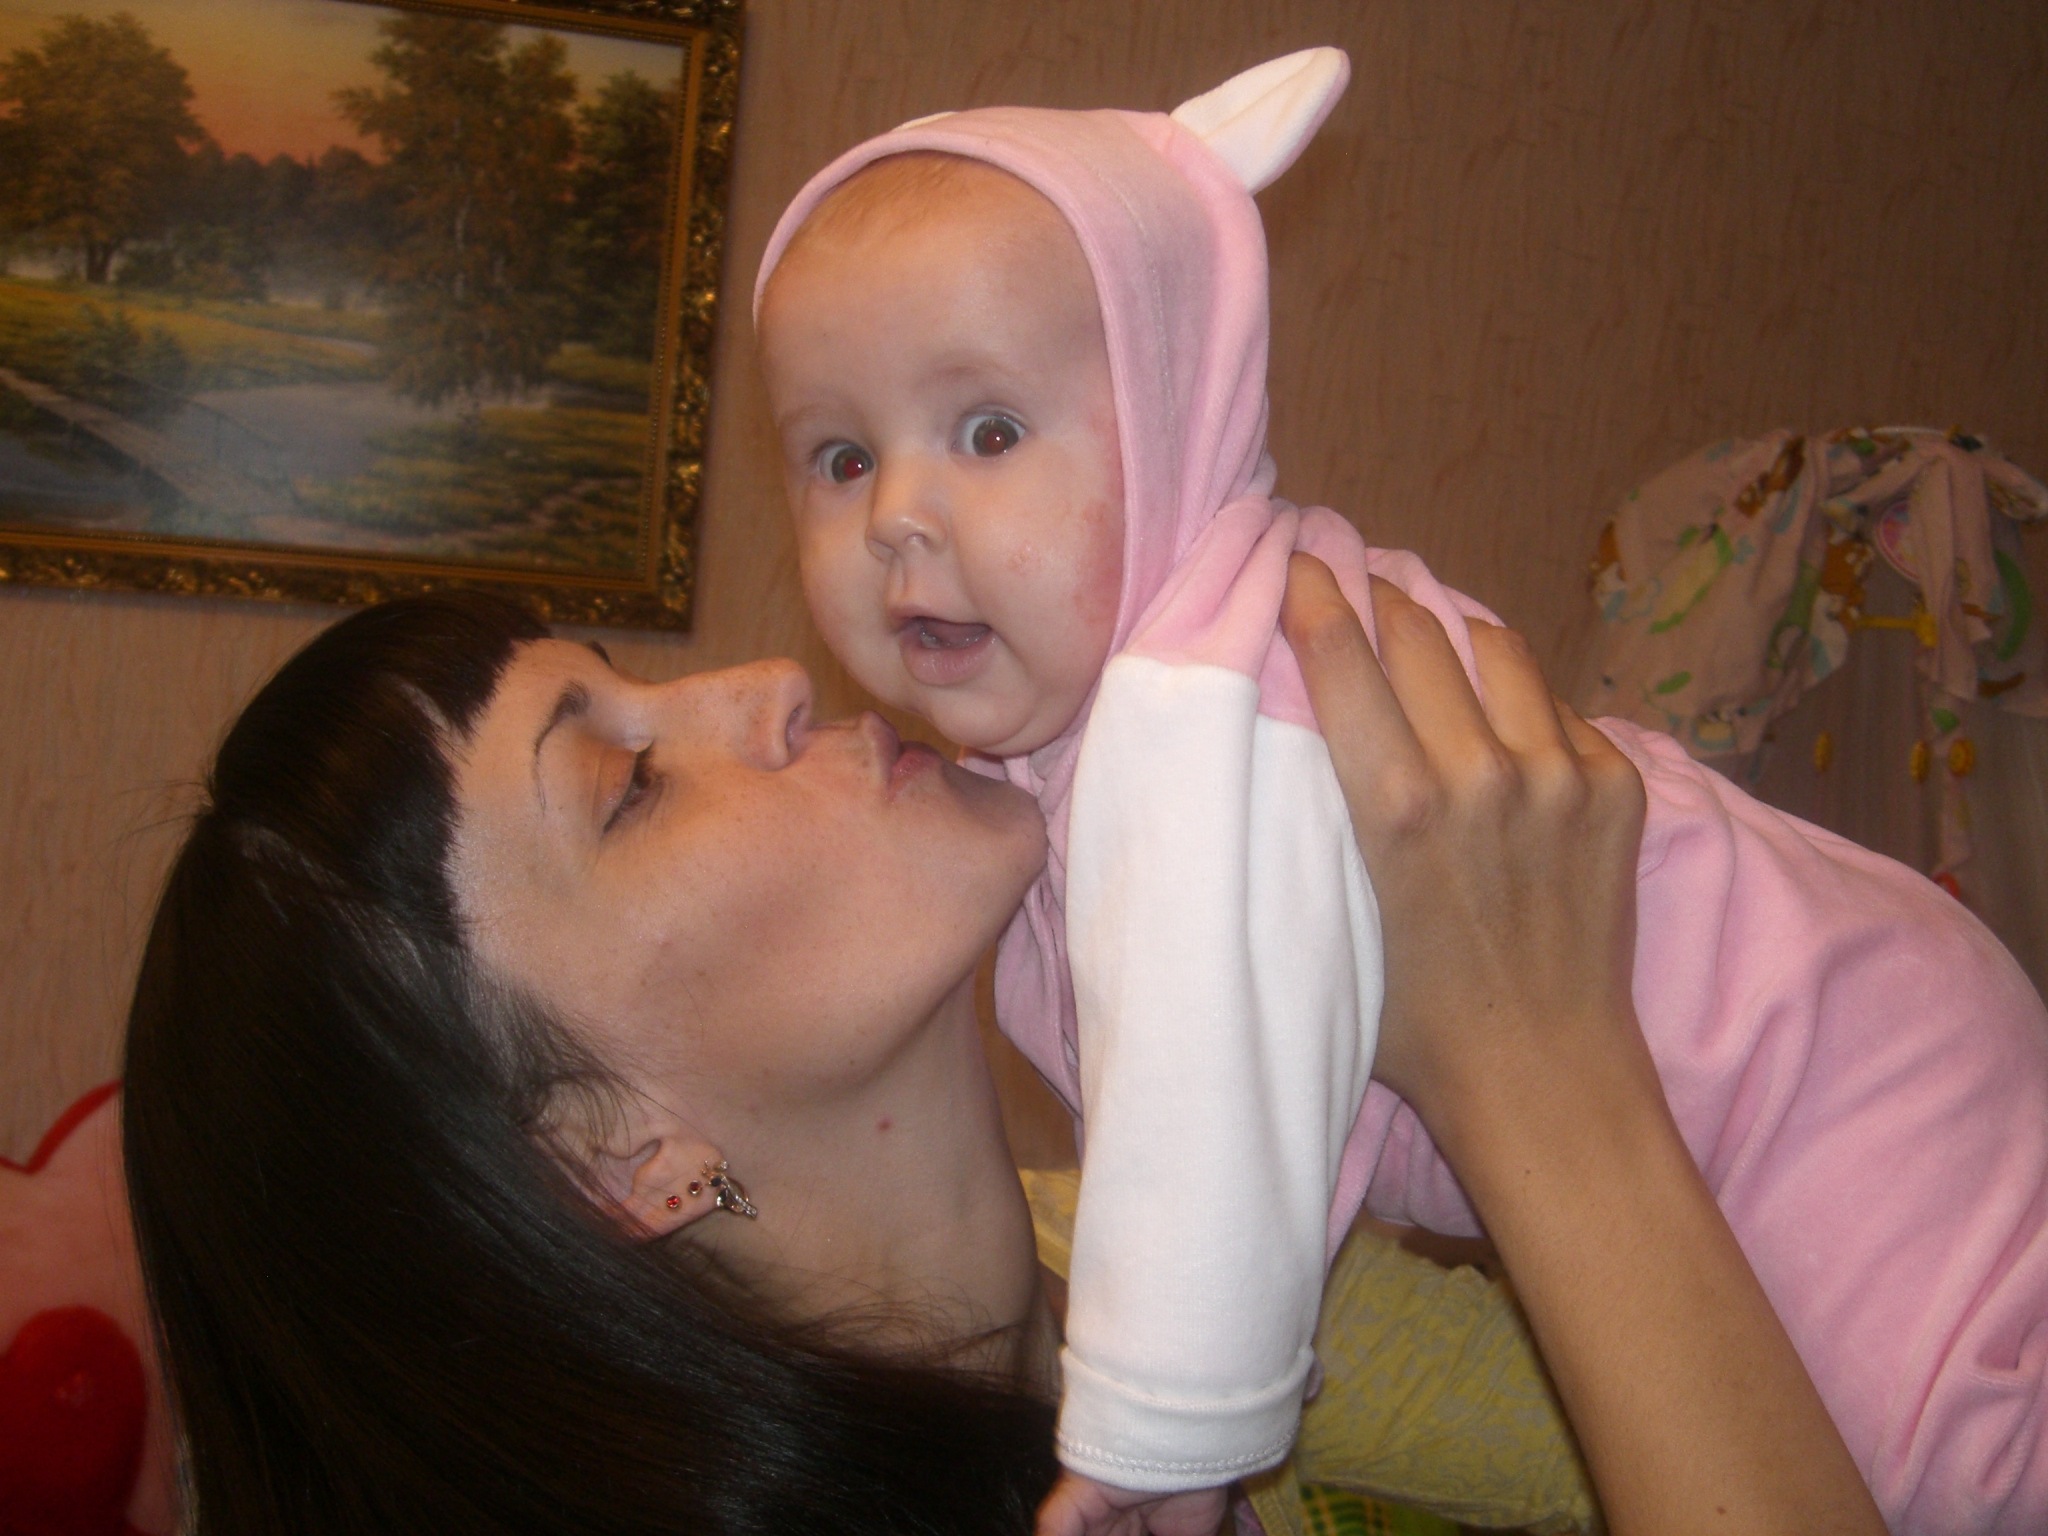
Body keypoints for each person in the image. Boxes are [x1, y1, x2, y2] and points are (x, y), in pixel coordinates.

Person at [751, 46, 2048, 1536]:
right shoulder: (1094, 727)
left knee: (1958, 1470)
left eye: (987, 432)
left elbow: (1203, 1130)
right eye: (838, 457)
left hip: (1834, 1058)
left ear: (1176, 415)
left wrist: (1156, 1436)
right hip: (1827, 1036)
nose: (897, 516)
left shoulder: (1203, 709)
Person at [119, 580, 1882, 1536]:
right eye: (630, 784)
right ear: (609, 1159)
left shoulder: (1171, 1254)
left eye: (642, 681)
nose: (768, 681)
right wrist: (1547, 1077)